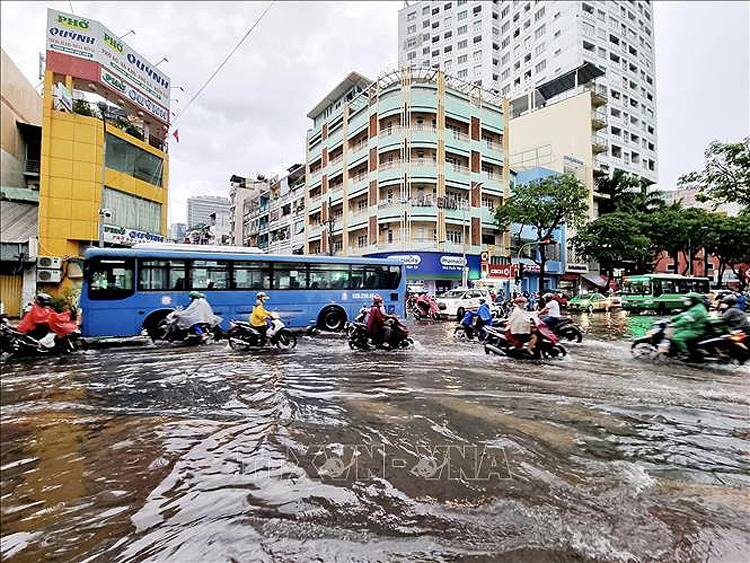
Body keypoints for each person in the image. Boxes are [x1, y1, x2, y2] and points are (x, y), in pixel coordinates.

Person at [671, 292, 709, 359]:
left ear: (694, 300)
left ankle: (685, 354)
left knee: (677, 338)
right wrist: (672, 319)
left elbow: (686, 319)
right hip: (691, 327)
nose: (685, 301)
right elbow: (684, 314)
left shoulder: (697, 310)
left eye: (687, 300)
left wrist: (674, 324)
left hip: (696, 330)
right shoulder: (695, 307)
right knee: (674, 332)